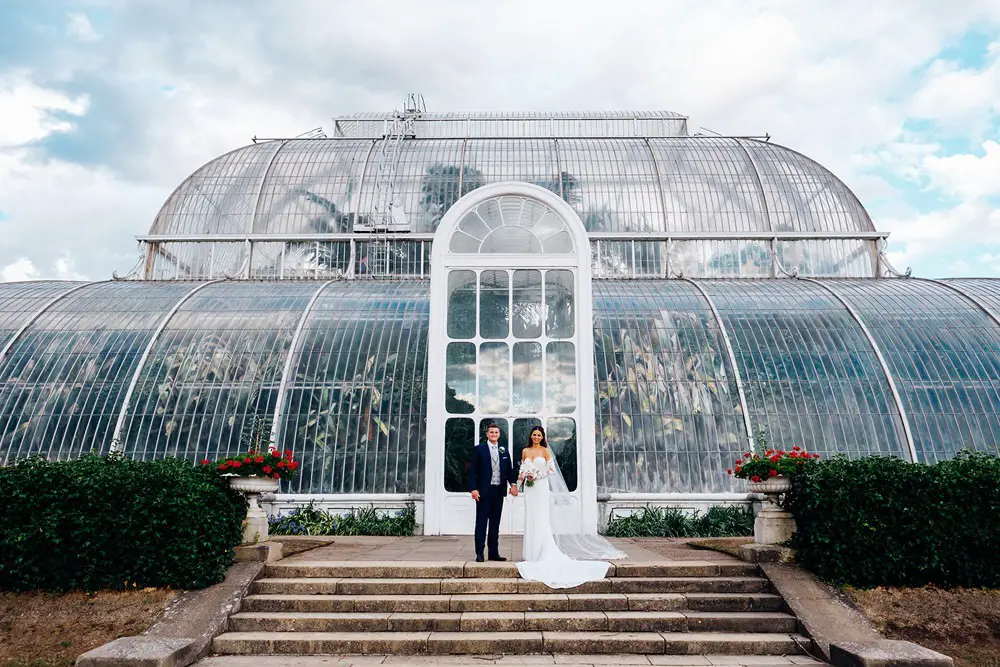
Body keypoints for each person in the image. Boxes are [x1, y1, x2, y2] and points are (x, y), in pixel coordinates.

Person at [516, 425, 623, 588]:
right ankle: (531, 553)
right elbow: (522, 471)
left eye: (539, 435)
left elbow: (551, 470)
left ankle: (542, 551)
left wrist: (537, 475)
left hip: (541, 486)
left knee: (541, 518)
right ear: (530, 436)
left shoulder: (545, 451)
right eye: (534, 435)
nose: (536, 437)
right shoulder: (525, 451)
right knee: (531, 518)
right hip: (530, 490)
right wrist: (517, 485)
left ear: (542, 437)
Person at [469, 422, 518, 562]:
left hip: (498, 491)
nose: (494, 434)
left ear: (499, 434)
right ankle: (479, 552)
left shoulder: (503, 451)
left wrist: (513, 484)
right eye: (491, 432)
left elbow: (509, 470)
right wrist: (473, 489)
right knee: (481, 522)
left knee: (495, 523)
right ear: (487, 434)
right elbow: (473, 471)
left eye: (496, 432)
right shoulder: (479, 449)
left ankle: (493, 553)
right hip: (484, 491)